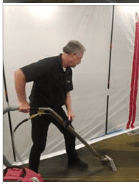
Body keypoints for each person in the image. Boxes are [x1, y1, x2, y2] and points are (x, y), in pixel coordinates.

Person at [14, 40, 88, 173]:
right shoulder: (48, 64)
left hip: (56, 109)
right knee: (39, 145)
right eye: (79, 59)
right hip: (40, 110)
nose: (79, 62)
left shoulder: (68, 70)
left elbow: (67, 92)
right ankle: (32, 173)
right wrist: (22, 101)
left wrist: (69, 110)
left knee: (70, 133)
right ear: (72, 54)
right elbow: (19, 74)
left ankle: (73, 160)